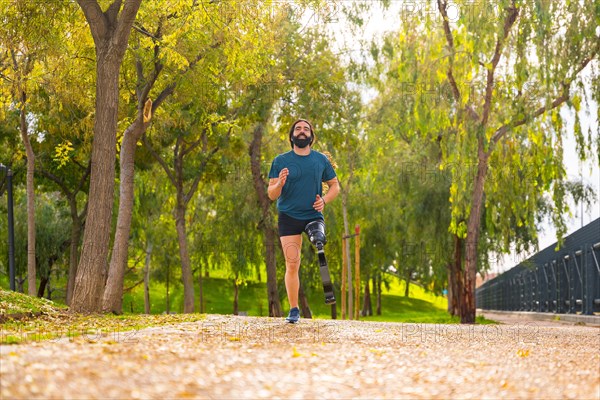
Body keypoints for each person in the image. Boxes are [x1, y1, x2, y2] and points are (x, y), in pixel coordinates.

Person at [267, 119, 340, 323]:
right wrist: (280, 183)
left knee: (318, 237)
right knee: (292, 264)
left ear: (311, 136)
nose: (302, 131)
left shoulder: (320, 160)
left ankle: (318, 240)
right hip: (288, 218)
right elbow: (271, 195)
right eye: (298, 128)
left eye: (306, 129)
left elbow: (335, 186)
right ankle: (294, 310)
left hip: (312, 214)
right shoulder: (280, 161)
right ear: (292, 135)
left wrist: (324, 200)